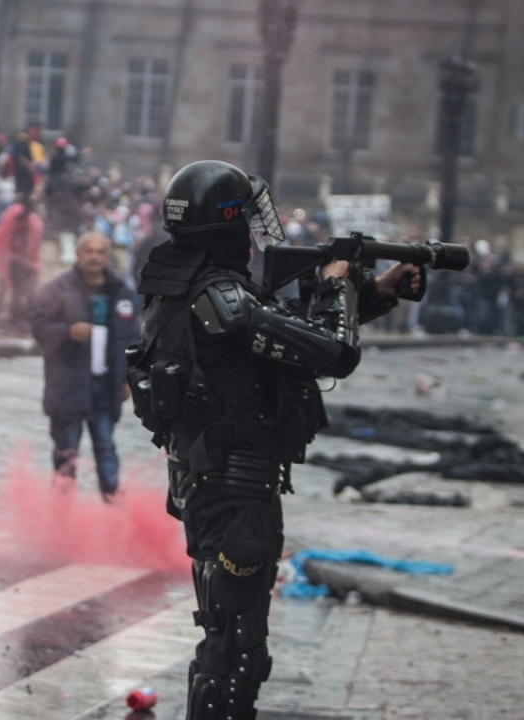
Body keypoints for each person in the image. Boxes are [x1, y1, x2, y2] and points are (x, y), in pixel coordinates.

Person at [126, 160, 421, 720]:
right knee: (236, 653)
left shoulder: (190, 286)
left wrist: (374, 292)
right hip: (233, 495)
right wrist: (335, 283)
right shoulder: (221, 298)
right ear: (229, 225)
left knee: (228, 641)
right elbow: (333, 352)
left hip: (215, 485)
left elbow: (287, 338)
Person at [30, 231, 140, 501]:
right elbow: (38, 326)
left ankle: (113, 504)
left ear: (107, 256)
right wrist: (67, 331)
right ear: (78, 254)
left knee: (106, 447)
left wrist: (129, 377)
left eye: (100, 252)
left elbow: (134, 339)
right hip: (67, 385)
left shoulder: (121, 293)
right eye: (88, 251)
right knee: (66, 451)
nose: (94, 257)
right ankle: (63, 510)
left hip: (105, 386)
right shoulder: (57, 290)